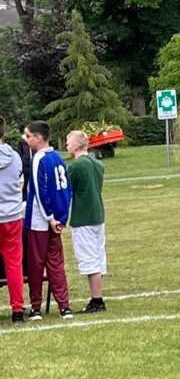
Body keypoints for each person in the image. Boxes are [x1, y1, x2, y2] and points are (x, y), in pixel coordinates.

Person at [23, 120, 72, 320]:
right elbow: (67, 190)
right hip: (56, 217)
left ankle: (35, 307)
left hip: (40, 219)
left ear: (38, 138)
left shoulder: (39, 158)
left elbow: (39, 191)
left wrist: (51, 218)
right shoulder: (58, 157)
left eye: (28, 136)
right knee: (56, 262)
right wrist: (62, 217)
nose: (26, 139)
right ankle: (64, 306)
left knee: (36, 263)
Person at [65, 130, 108, 313]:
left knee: (89, 259)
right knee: (98, 256)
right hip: (98, 214)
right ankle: (97, 295)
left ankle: (97, 300)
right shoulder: (97, 164)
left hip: (83, 217)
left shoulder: (76, 166)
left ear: (76, 146)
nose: (67, 146)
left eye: (68, 142)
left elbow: (67, 189)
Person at [0, 117, 25, 323]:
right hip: (12, 216)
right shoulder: (14, 156)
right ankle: (17, 308)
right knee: (14, 263)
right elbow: (20, 183)